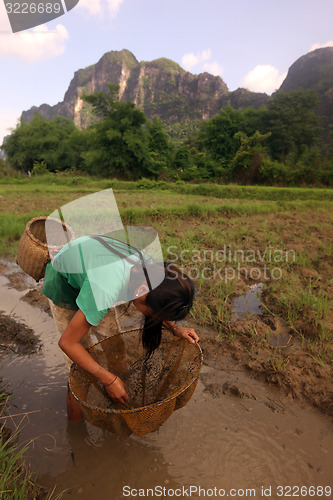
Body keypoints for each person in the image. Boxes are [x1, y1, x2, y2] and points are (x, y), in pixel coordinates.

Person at [42, 234, 199, 421]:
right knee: (80, 374)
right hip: (65, 282)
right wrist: (107, 378)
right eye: (157, 315)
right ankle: (76, 432)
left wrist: (175, 328)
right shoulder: (105, 288)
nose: (157, 319)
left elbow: (157, 306)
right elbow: (67, 343)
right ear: (141, 291)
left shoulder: (153, 272)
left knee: (116, 350)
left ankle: (120, 405)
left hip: (95, 273)